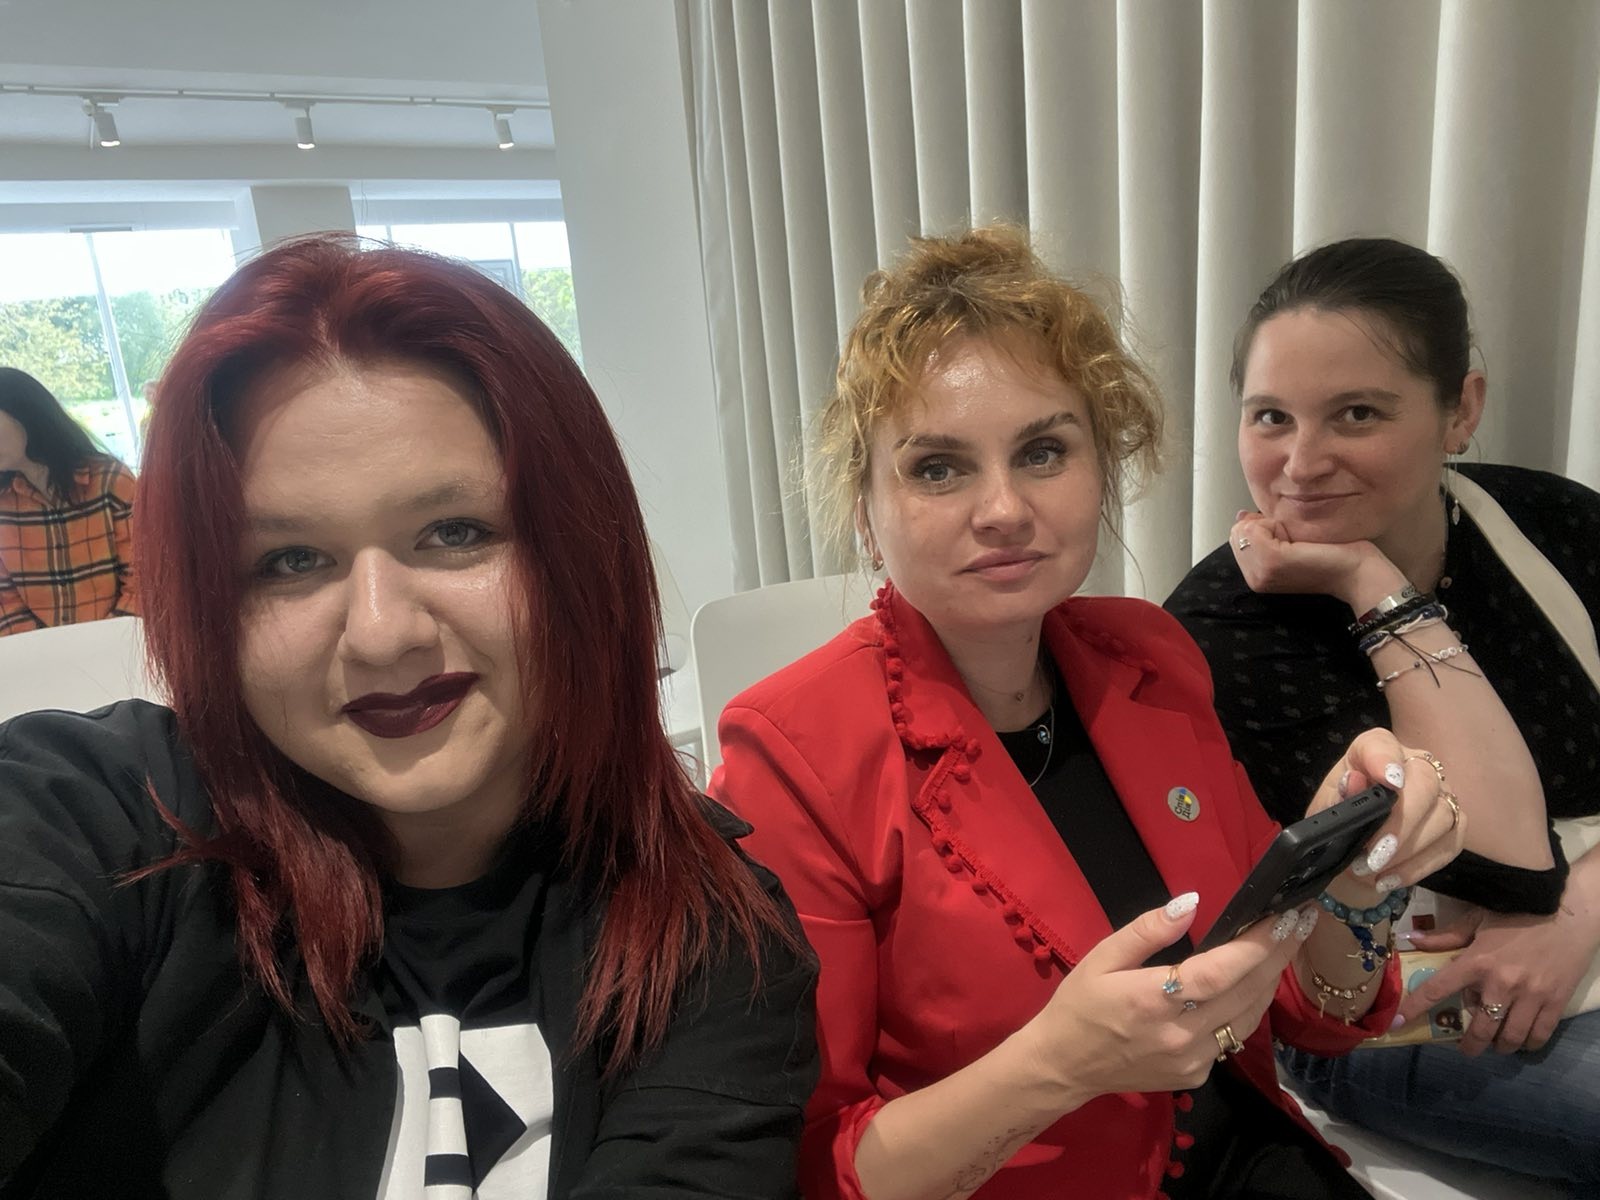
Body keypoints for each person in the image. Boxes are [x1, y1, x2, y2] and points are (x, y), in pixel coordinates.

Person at [0, 236, 818, 1198]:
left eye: (455, 532)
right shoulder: (95, 818)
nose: (383, 635)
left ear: (579, 557)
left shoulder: (706, 937)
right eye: (290, 561)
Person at [709, 225, 1464, 1200]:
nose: (1002, 509)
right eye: (937, 467)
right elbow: (811, 1166)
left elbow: (1303, 1009)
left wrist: (1354, 886)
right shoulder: (791, 752)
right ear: (864, 508)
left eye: (1042, 452)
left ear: (1101, 468)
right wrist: (1057, 1067)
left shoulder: (1147, 658)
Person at [1165, 236, 1600, 1187]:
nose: (1301, 463)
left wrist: (1586, 908)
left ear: (1461, 410)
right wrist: (1372, 585)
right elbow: (1504, 865)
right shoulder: (1222, 631)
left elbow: (1548, 902)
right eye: (1271, 417)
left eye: (1356, 413)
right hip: (1386, 1007)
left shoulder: (1556, 525)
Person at [0, 367, 138, 634]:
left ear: (24, 413)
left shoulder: (111, 482)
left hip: (120, 642)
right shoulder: (4, 505)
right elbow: (5, 602)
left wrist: (103, 641)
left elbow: (144, 580)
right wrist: (45, 648)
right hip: (38, 653)